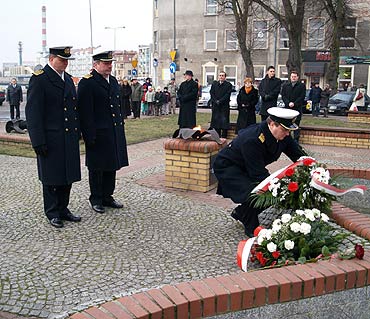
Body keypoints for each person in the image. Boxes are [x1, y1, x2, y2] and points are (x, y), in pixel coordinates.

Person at [213, 107, 305, 236]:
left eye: (289, 130)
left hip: (247, 166)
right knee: (259, 192)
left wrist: (311, 166)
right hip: (229, 167)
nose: (288, 134)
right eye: (285, 130)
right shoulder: (253, 139)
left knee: (271, 192)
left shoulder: (283, 135)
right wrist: (279, 186)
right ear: (272, 124)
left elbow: (299, 155)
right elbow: (258, 174)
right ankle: (251, 226)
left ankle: (241, 213)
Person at [25, 46, 81, 228]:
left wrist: (77, 132)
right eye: (62, 60)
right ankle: (52, 212)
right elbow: (33, 113)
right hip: (51, 138)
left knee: (67, 175)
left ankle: (63, 208)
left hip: (68, 137)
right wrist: (38, 141)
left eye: (66, 61)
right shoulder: (40, 79)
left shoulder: (68, 79)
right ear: (51, 59)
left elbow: (73, 109)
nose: (65, 63)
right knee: (51, 177)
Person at [77, 51, 129, 214]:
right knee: (97, 167)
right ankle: (96, 198)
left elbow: (117, 106)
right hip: (97, 133)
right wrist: (88, 135)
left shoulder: (112, 81)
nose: (109, 66)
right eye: (106, 63)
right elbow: (85, 112)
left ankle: (107, 196)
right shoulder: (88, 83)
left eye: (110, 63)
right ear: (95, 65)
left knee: (111, 165)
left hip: (112, 131)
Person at [281, 70, 306, 142]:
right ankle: (286, 140)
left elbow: (302, 97)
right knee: (287, 125)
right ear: (290, 77)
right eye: (292, 76)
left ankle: (296, 141)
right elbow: (283, 96)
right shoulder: (285, 85)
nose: (293, 78)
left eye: (295, 76)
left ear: (297, 77)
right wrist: (288, 103)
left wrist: (294, 103)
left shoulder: (301, 86)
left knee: (296, 125)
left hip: (297, 108)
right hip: (287, 109)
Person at [209, 71, 233, 138]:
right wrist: (215, 100)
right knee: (216, 123)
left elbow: (227, 94)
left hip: (224, 106)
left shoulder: (228, 85)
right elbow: (211, 93)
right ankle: (217, 137)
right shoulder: (214, 84)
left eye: (222, 75)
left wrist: (220, 101)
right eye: (220, 75)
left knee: (224, 122)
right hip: (216, 106)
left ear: (225, 77)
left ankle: (224, 137)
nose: (221, 77)